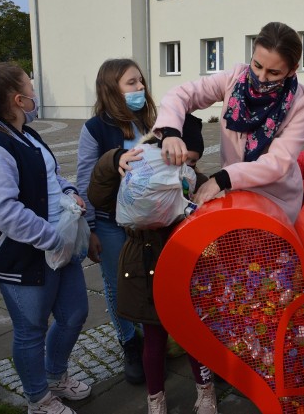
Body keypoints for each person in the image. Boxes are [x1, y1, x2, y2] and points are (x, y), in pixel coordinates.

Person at [0, 58, 90, 414]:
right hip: (26, 257)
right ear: (19, 100)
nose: (36, 93)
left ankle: (55, 375)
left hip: (58, 249)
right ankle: (38, 398)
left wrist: (68, 192)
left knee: (74, 313)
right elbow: (2, 211)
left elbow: (50, 176)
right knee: (30, 329)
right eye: (31, 88)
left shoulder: (26, 135)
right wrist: (51, 238)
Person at [87, 124, 218, 414]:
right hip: (143, 265)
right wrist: (113, 160)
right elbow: (97, 197)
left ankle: (205, 392)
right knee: (154, 338)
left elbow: (212, 216)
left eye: (193, 162)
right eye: (181, 159)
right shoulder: (136, 169)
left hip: (186, 265)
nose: (186, 168)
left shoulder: (196, 179)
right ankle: (155, 398)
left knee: (193, 335)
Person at [154, 21, 304, 223]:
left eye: (274, 72)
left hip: (276, 201)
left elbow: (278, 163)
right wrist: (171, 132)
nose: (261, 77)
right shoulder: (233, 79)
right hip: (235, 194)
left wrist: (222, 178)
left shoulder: (301, 102)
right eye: (257, 65)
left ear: (292, 70)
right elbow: (181, 95)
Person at [76, 58, 157, 384]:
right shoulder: (94, 129)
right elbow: (85, 182)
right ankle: (129, 343)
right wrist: (92, 228)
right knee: (117, 284)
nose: (140, 88)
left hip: (147, 222)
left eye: (140, 81)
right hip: (110, 224)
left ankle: (152, 336)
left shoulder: (146, 120)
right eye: (131, 83)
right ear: (111, 88)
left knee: (150, 280)